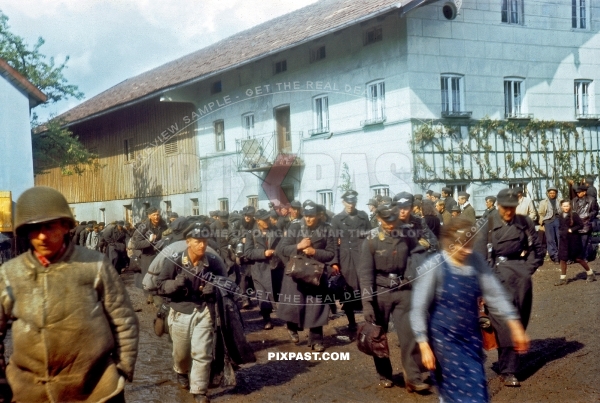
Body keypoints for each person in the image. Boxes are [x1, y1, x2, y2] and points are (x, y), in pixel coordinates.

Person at [0, 186, 138, 402]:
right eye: (35, 229)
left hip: (95, 390)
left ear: (65, 226)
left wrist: (121, 369)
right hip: (29, 391)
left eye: (50, 226)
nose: (42, 236)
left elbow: (124, 320)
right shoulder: (10, 273)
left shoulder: (94, 265)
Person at [411, 218, 529, 403]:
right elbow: (418, 308)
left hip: (471, 338)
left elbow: (495, 295)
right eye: (462, 246)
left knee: (477, 388)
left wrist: (514, 324)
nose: (467, 251)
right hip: (444, 340)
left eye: (470, 245)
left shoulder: (476, 261)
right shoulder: (434, 266)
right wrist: (423, 344)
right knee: (458, 391)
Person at [156, 224, 233, 403]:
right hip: (180, 311)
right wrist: (174, 284)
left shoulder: (213, 262)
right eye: (198, 241)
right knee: (181, 353)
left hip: (204, 310)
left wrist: (214, 287)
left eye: (204, 241)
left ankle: (199, 390)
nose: (202, 245)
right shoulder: (173, 260)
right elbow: (159, 285)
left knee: (202, 352)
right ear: (188, 242)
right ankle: (180, 371)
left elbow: (228, 284)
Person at [475, 188, 544, 387]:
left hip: (520, 277)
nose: (509, 212)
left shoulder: (525, 222)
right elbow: (480, 258)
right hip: (495, 277)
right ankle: (509, 370)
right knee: (505, 324)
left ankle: (507, 362)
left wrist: (527, 268)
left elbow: (537, 251)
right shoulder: (486, 225)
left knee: (519, 321)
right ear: (498, 206)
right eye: (505, 208)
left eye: (512, 208)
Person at [357, 203, 430, 393]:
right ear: (379, 219)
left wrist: (411, 274)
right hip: (379, 291)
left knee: (409, 335)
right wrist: (367, 304)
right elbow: (365, 274)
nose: (390, 224)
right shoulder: (371, 240)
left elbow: (418, 255)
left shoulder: (407, 236)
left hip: (403, 289)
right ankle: (384, 374)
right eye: (386, 220)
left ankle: (413, 378)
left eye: (393, 220)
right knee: (378, 335)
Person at [277, 201, 335, 352]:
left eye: (312, 216)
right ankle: (292, 326)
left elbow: (331, 253)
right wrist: (299, 246)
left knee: (317, 306)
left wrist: (314, 252)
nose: (309, 219)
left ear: (318, 215)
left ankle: (316, 340)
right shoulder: (295, 226)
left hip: (316, 273)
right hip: (297, 271)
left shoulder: (327, 229)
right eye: (307, 216)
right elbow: (282, 249)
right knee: (295, 304)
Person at [330, 190, 371, 331]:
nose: (350, 205)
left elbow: (371, 236)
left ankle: (370, 321)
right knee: (347, 289)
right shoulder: (336, 219)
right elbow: (334, 242)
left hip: (363, 256)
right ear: (343, 202)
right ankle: (351, 321)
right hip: (346, 258)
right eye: (348, 202)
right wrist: (335, 261)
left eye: (353, 202)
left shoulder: (363, 216)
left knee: (366, 287)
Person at [244, 209, 284, 329]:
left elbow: (282, 245)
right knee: (262, 296)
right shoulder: (251, 233)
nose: (267, 221)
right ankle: (267, 319)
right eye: (264, 219)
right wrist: (263, 253)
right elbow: (248, 253)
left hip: (276, 267)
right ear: (257, 220)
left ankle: (286, 318)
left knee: (279, 294)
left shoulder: (276, 230)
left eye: (268, 218)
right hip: (260, 270)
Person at [555, 200, 596, 285]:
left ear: (570, 206)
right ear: (561, 207)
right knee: (562, 259)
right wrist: (561, 232)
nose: (566, 208)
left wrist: (572, 230)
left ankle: (590, 273)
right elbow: (560, 226)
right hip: (564, 241)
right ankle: (563, 279)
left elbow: (580, 225)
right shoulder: (560, 216)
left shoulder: (574, 214)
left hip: (573, 240)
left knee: (578, 258)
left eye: (567, 206)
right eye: (564, 206)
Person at [131, 207, 168, 299]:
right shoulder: (143, 227)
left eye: (158, 214)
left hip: (160, 253)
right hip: (148, 254)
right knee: (148, 275)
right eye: (154, 215)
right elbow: (135, 244)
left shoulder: (163, 225)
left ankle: (159, 293)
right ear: (149, 216)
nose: (156, 217)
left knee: (161, 273)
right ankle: (149, 295)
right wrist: (149, 241)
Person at [571, 184, 599, 259]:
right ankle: (576, 257)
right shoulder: (574, 201)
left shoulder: (591, 200)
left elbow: (595, 210)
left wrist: (589, 216)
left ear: (584, 192)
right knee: (576, 242)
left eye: (580, 192)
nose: (578, 193)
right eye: (577, 192)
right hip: (576, 225)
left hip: (586, 224)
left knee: (585, 242)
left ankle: (585, 257)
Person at [537, 185, 561, 263]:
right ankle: (554, 256)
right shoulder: (543, 202)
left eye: (553, 193)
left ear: (556, 193)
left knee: (559, 238)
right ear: (548, 194)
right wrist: (542, 221)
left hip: (558, 220)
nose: (552, 194)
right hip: (548, 221)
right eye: (550, 193)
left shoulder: (560, 201)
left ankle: (561, 255)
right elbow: (541, 213)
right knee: (550, 239)